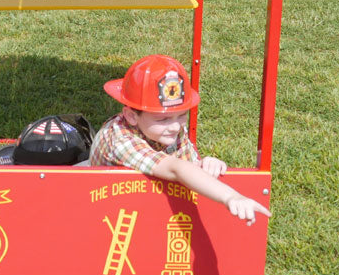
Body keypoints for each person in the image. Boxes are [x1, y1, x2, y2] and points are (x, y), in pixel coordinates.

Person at [90, 54, 271, 225]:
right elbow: (176, 169)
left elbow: (189, 170)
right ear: (131, 116)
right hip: (103, 211)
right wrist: (232, 197)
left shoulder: (167, 130)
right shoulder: (121, 139)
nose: (176, 127)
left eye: (182, 116)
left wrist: (205, 165)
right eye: (163, 119)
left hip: (138, 207)